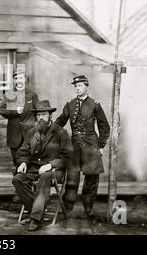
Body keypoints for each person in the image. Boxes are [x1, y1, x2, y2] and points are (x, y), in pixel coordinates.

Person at [55, 75, 110, 222]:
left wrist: (101, 145)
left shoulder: (95, 104)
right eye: (76, 86)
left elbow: (104, 127)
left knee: (91, 180)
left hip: (91, 146)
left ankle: (88, 209)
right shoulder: (70, 104)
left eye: (80, 85)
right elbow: (60, 122)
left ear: (86, 86)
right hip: (74, 147)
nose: (77, 88)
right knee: (72, 179)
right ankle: (67, 209)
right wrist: (52, 133)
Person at [12, 100, 72, 231]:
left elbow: (67, 158)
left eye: (44, 115)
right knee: (17, 179)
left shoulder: (60, 133)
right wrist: (23, 162)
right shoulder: (32, 132)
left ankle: (35, 218)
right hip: (34, 168)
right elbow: (23, 151)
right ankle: (36, 210)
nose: (41, 118)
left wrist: (50, 165)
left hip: (54, 170)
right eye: (38, 115)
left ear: (50, 115)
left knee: (45, 177)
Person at [0, 68, 39, 171]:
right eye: (16, 78)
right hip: (14, 134)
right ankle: (19, 184)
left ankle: (29, 184)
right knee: (17, 162)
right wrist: (15, 111)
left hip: (29, 134)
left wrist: (35, 127)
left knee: (30, 161)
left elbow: (38, 112)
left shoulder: (32, 95)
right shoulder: (9, 94)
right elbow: (2, 110)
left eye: (21, 77)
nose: (18, 80)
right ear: (14, 80)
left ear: (25, 79)